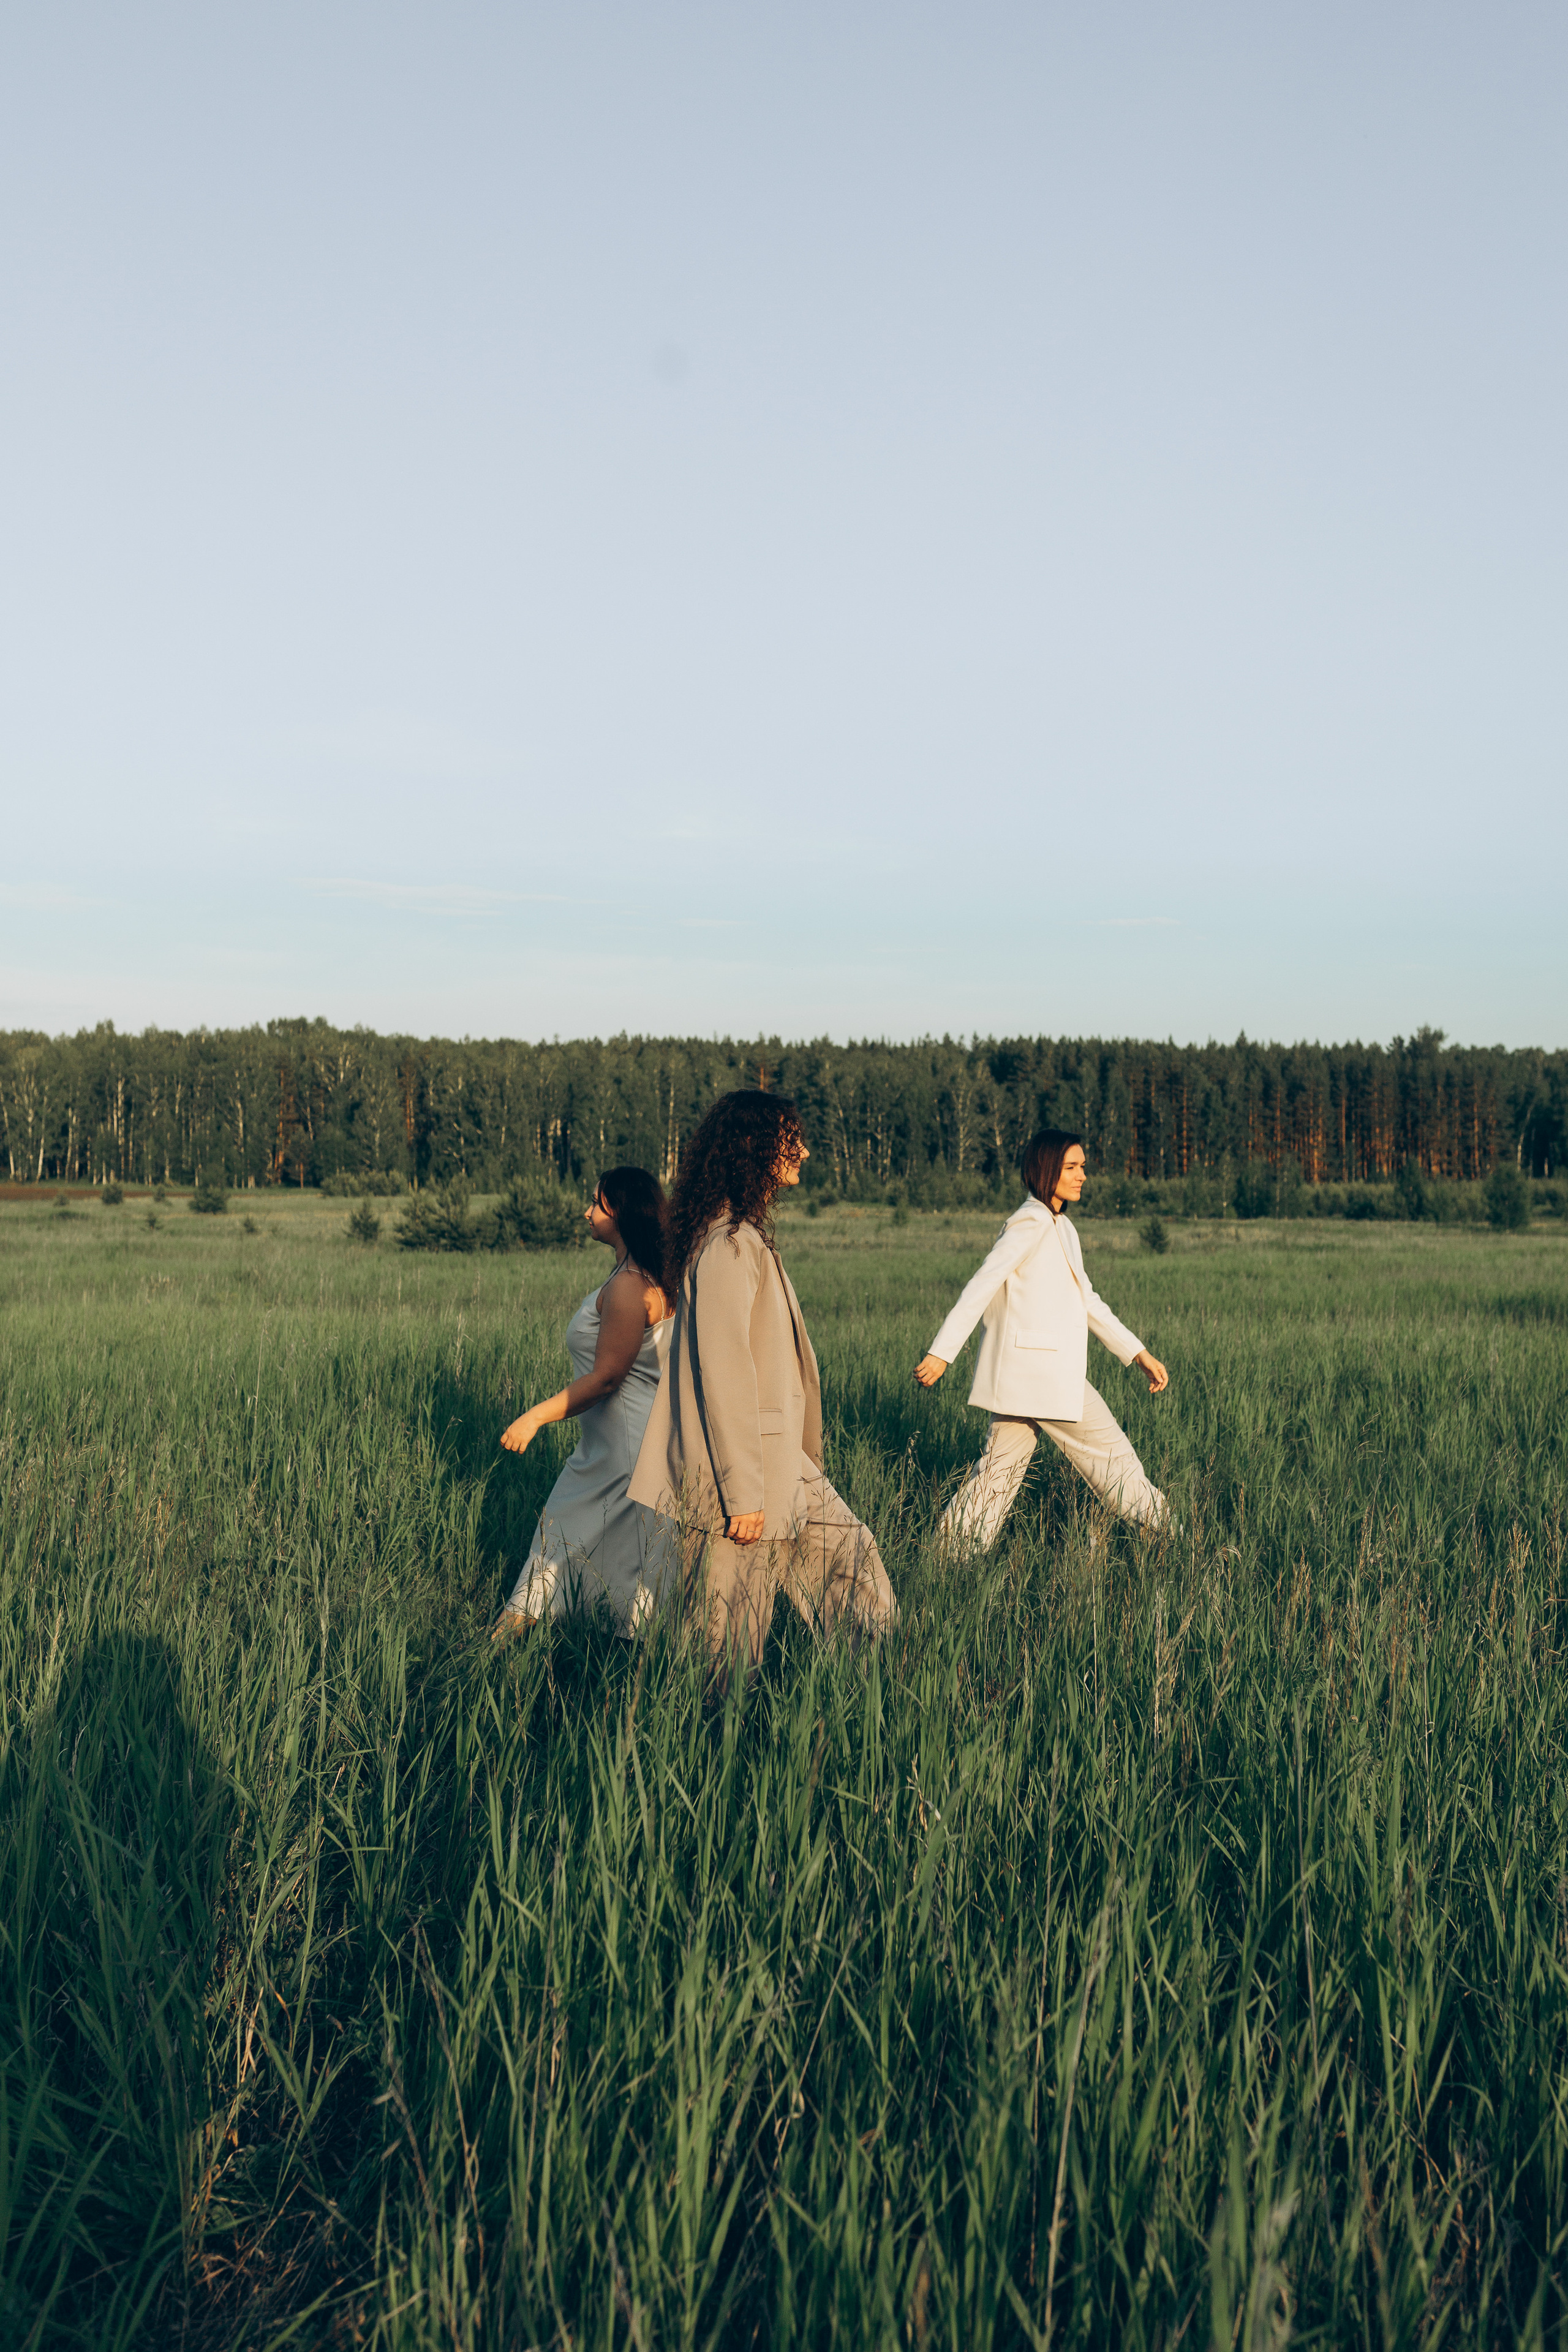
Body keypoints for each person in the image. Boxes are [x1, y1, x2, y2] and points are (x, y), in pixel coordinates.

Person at [628, 1090, 897, 1683]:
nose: (801, 1149)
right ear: (753, 1147)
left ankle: (864, 1696)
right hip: (741, 1479)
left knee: (855, 1561)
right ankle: (708, 1751)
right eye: (788, 1137)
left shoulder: (741, 1236)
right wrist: (742, 1493)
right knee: (727, 1641)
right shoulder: (727, 1244)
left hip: (781, 1464)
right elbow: (722, 1372)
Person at [913, 1129, 1170, 1551]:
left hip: (1029, 1380)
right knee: (1115, 1459)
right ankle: (1169, 1535)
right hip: (1044, 1378)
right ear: (1045, 1169)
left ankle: (946, 1562)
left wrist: (1137, 1352)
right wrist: (942, 1354)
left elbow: (1087, 1300)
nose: (1082, 1175)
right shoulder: (1030, 1222)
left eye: (1083, 1167)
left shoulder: (1061, 1227)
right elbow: (983, 1283)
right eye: (1071, 1167)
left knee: (996, 1476)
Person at [492, 1167, 674, 1637]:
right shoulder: (639, 1276)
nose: (586, 1211)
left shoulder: (631, 1285)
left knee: (554, 1545)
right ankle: (618, 1648)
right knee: (622, 1554)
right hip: (621, 1447)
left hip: (622, 1451)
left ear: (623, 1214)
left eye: (597, 1203)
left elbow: (608, 1377)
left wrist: (534, 1417)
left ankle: (492, 1653)